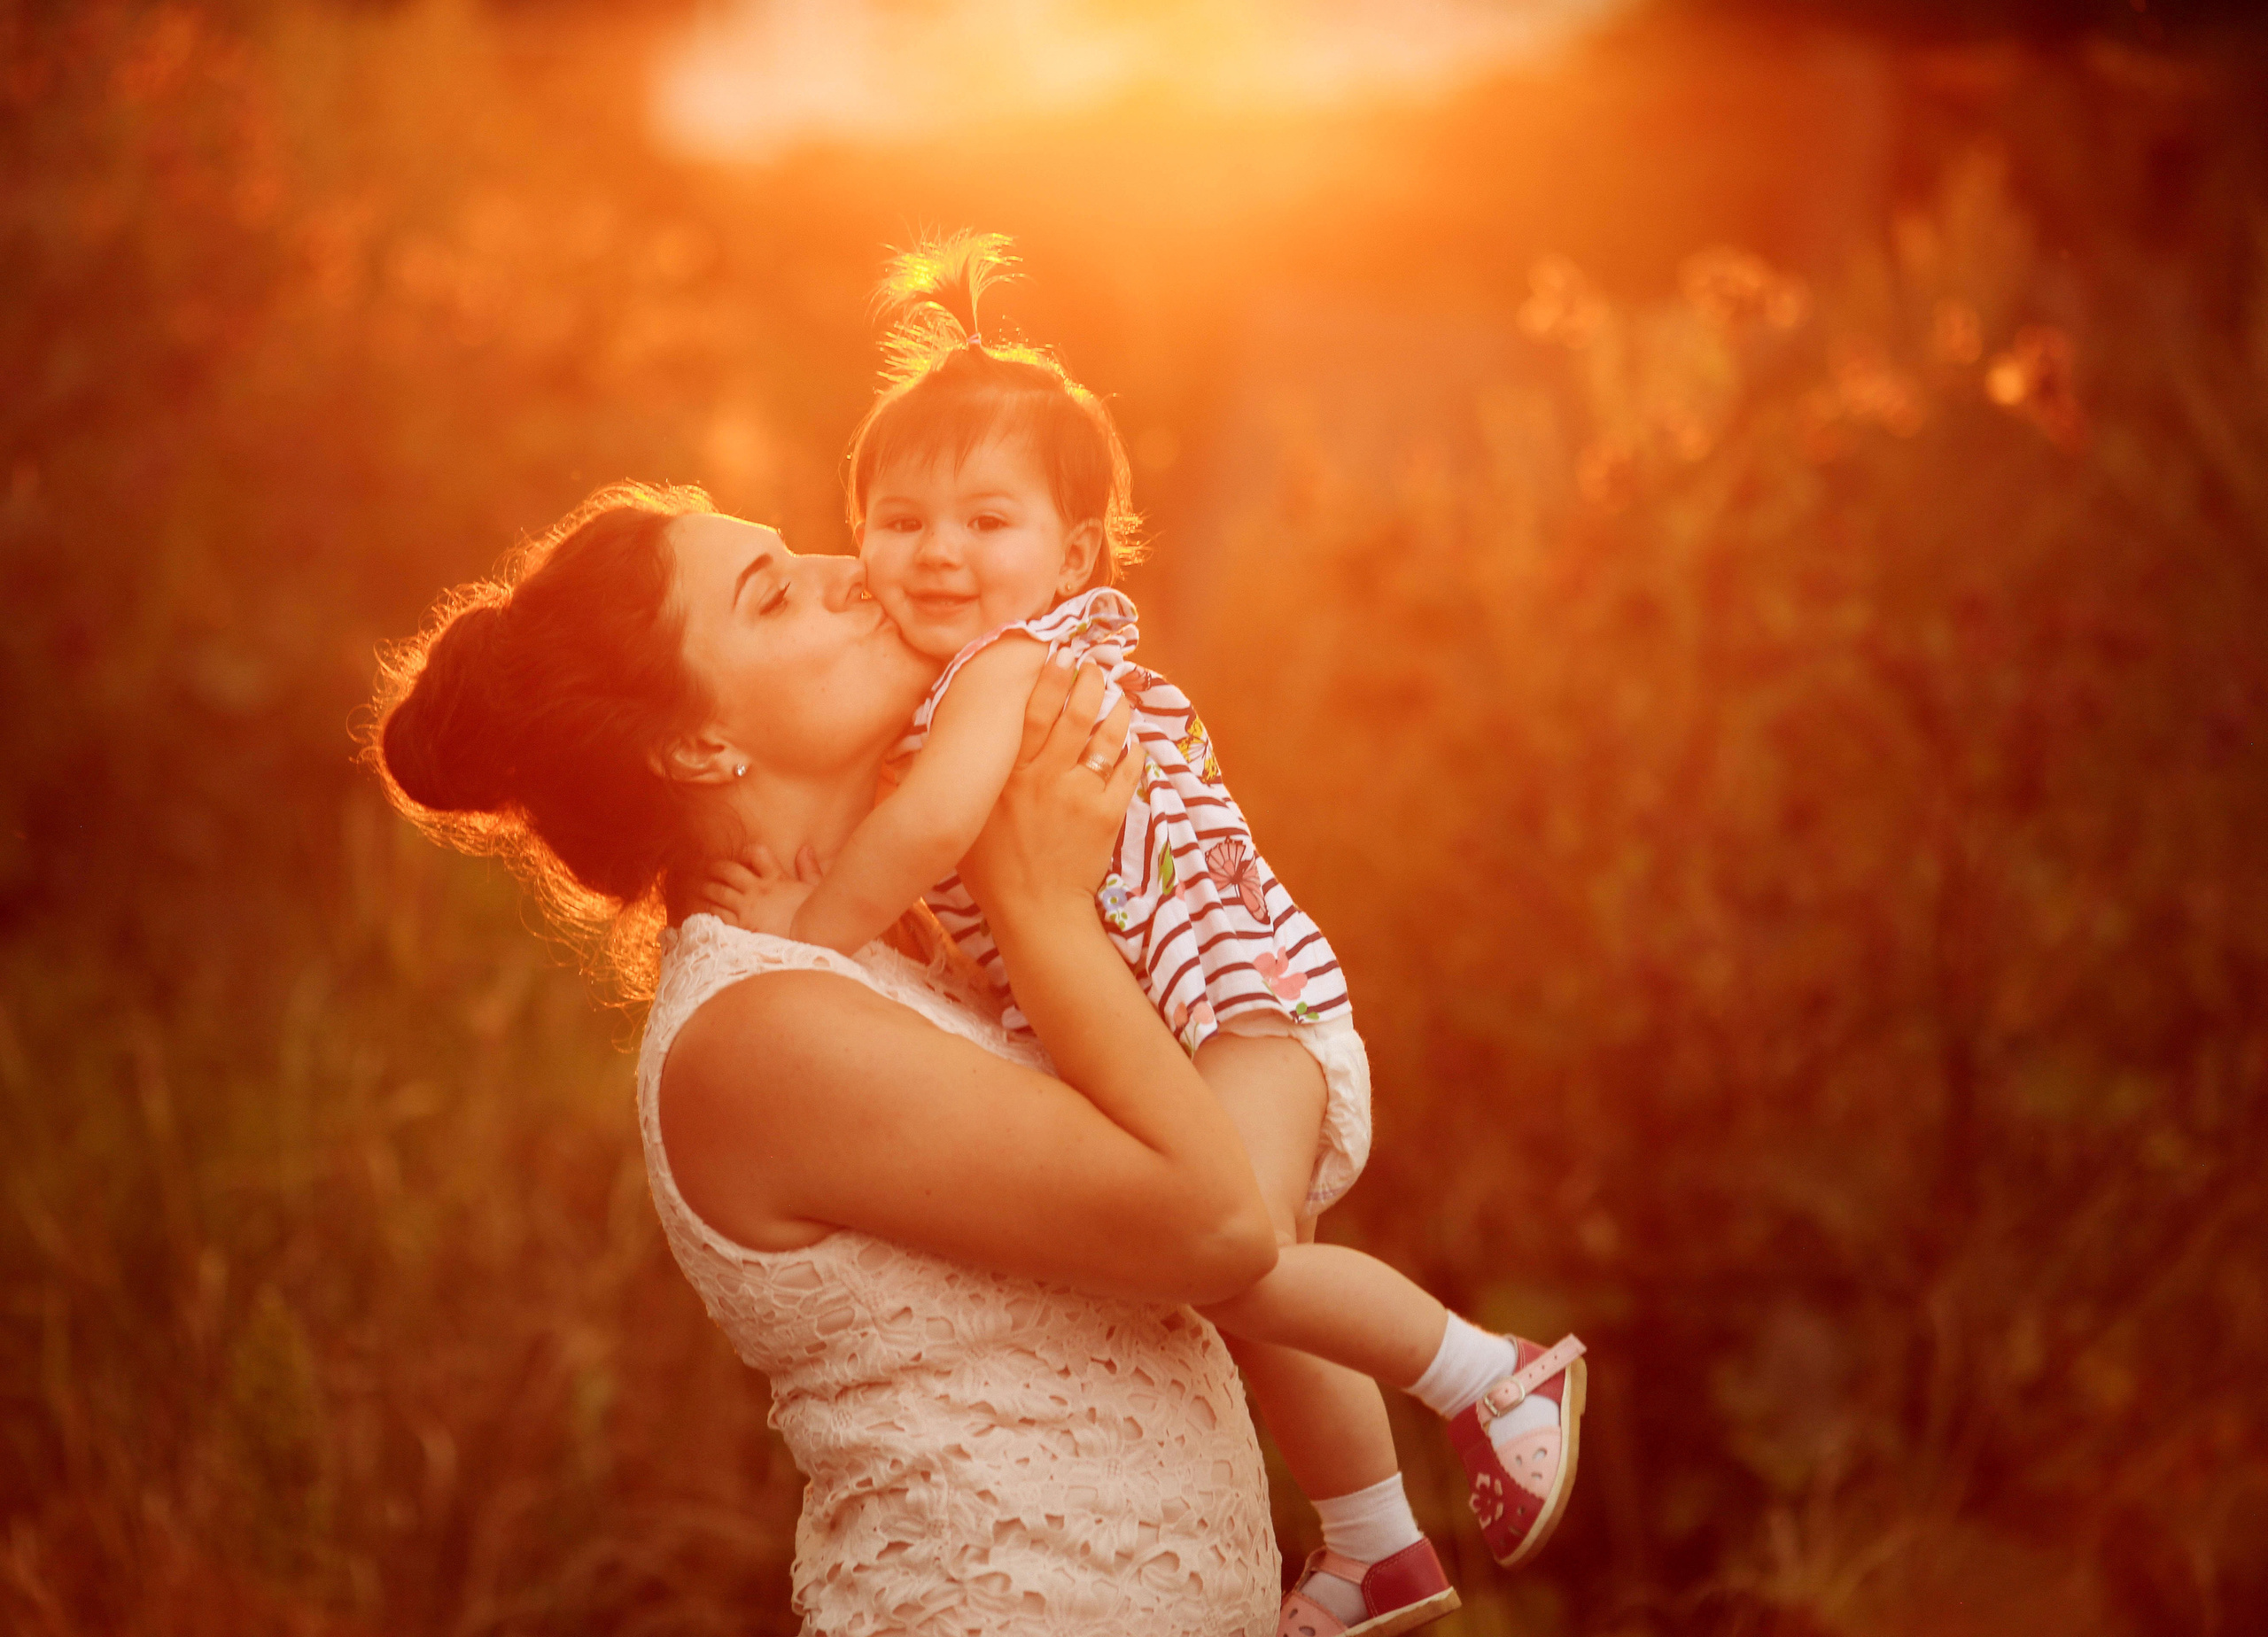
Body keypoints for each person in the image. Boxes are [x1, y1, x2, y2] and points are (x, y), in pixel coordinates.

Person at [695, 235, 1586, 1637]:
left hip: (1231, 1007)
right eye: (901, 518)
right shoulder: (976, 677)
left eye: (987, 523)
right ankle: (1376, 1549)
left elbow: (931, 838)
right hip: (1219, 1018)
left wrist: (811, 936)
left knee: (1229, 1253)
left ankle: (1484, 1374)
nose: (938, 552)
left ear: (1073, 552)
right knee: (1250, 1269)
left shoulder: (1009, 663)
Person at [372, 484, 1285, 1635]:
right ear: (696, 744)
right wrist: (1044, 910)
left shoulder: (901, 937)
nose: (848, 570)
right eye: (773, 596)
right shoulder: (754, 1034)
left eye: (797, 549)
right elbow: (1220, 1224)